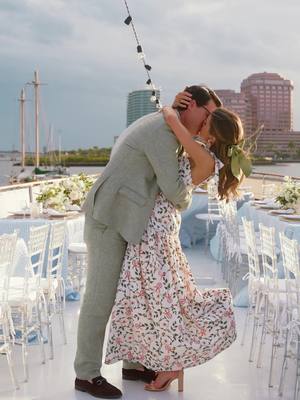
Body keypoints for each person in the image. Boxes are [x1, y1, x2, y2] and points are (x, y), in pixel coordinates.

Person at [74, 85, 222, 399]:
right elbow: (174, 191)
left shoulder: (168, 125)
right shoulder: (162, 131)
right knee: (100, 299)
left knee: (135, 297)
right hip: (109, 218)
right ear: (190, 104)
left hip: (129, 220)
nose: (208, 121)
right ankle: (86, 375)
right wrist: (187, 188)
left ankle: (134, 364)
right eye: (206, 113)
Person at [104, 103, 252, 392]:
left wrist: (172, 109)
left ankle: (172, 363)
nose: (204, 119)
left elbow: (173, 122)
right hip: (157, 223)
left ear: (213, 132)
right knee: (156, 295)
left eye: (208, 118)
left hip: (157, 227)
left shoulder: (205, 157)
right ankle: (160, 359)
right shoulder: (204, 151)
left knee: (163, 299)